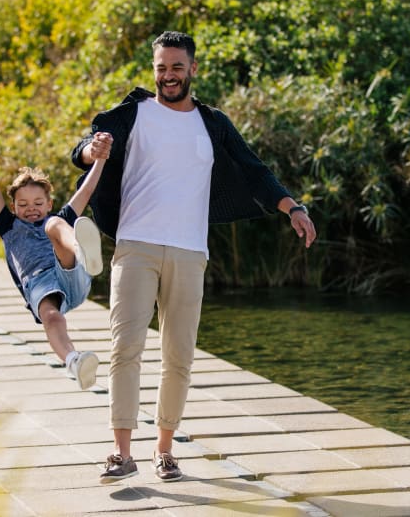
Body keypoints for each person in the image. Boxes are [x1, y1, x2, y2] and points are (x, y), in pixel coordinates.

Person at [72, 30, 316, 483]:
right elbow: (84, 148)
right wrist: (92, 150)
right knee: (125, 347)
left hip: (189, 251)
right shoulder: (134, 114)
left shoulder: (213, 123)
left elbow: (253, 169)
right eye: (161, 68)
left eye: (176, 68)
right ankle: (121, 452)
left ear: (193, 69)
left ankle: (164, 450)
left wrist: (292, 208)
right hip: (136, 245)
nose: (168, 76)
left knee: (178, 355)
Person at [0, 128, 110, 389]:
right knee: (52, 317)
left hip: (71, 270)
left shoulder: (56, 216)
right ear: (13, 207)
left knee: (55, 224)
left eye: (37, 202)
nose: (31, 208)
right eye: (23, 204)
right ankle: (74, 360)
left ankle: (82, 250)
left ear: (48, 201)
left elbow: (87, 190)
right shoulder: (8, 225)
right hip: (40, 285)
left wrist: (100, 159)